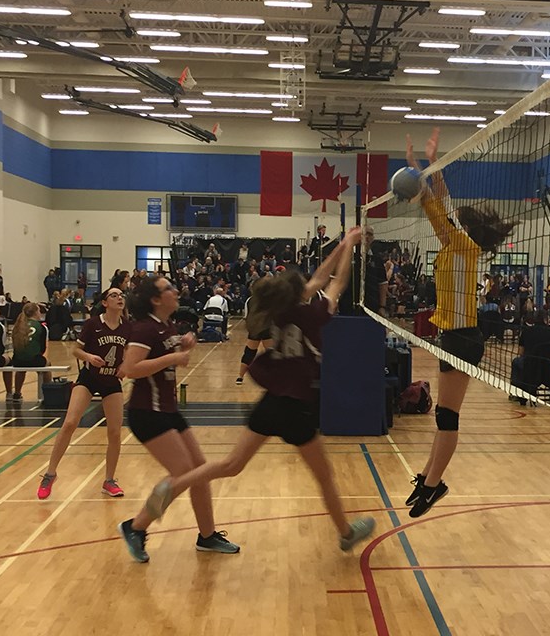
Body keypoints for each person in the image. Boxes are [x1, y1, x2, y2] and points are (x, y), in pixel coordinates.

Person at [136, 229, 376, 553]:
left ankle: (173, 485)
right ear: (300, 294)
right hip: (298, 407)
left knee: (231, 464)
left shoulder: (278, 311)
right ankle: (346, 533)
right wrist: (349, 249)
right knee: (324, 475)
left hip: (272, 401)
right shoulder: (311, 315)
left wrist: (346, 242)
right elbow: (336, 283)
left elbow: (318, 279)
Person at [403, 128, 517, 517]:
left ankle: (435, 486)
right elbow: (440, 209)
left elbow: (441, 209)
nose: (452, 223)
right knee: (443, 417)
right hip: (453, 336)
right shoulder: (456, 246)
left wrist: (431, 168)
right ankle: (428, 478)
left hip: (464, 338)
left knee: (447, 417)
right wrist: (425, 169)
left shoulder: (464, 246)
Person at [116, 275, 239, 563]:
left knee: (199, 470)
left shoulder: (166, 325)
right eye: (168, 288)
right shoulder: (145, 328)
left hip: (168, 410)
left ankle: (207, 536)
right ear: (156, 300)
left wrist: (183, 347)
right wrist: (173, 358)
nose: (175, 291)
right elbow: (130, 369)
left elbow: (163, 357)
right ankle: (135, 526)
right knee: (185, 473)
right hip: (148, 413)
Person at [37, 288, 130, 500]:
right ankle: (50, 474)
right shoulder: (93, 324)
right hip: (89, 378)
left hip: (111, 381)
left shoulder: (128, 327)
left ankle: (109, 480)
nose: (119, 298)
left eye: (121, 295)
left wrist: (125, 365)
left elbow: (129, 353)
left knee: (115, 432)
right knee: (70, 422)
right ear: (105, 303)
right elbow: (75, 350)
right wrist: (89, 356)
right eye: (114, 295)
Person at [12, 302, 50, 402]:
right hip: (34, 360)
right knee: (47, 364)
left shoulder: (17, 326)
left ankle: (17, 393)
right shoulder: (41, 327)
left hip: (17, 361)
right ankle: (47, 394)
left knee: (21, 368)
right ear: (36, 312)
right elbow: (43, 348)